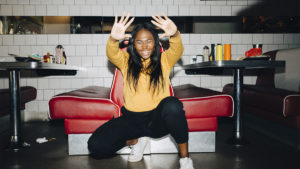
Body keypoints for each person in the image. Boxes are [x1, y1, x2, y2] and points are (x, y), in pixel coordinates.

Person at [88, 12, 194, 169]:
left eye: (149, 41)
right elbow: (112, 54)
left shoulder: (165, 60)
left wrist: (175, 34)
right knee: (95, 146)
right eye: (139, 42)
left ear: (156, 42)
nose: (144, 46)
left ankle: (185, 159)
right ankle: (134, 140)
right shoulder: (126, 62)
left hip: (157, 121)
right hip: (132, 120)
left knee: (172, 104)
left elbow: (177, 49)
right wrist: (112, 39)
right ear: (133, 44)